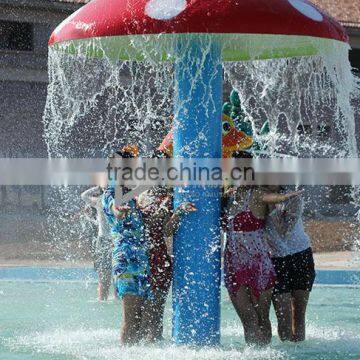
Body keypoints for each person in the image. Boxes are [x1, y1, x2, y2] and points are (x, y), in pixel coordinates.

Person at [223, 150, 303, 346]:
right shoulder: (227, 197)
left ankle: (263, 354)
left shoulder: (258, 193)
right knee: (248, 318)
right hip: (234, 264)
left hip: (259, 266)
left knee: (260, 318)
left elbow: (272, 198)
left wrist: (286, 197)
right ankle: (253, 353)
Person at [137, 150, 197, 342]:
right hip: (138, 258)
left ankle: (153, 347)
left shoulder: (170, 197)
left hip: (157, 258)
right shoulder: (140, 195)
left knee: (154, 313)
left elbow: (167, 231)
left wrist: (178, 212)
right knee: (137, 315)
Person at [102, 145, 152, 345]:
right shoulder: (111, 194)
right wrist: (118, 211)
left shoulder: (130, 194)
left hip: (140, 258)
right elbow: (114, 207)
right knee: (131, 319)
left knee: (140, 320)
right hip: (126, 258)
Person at [266, 187, 316, 342]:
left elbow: (284, 230)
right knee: (283, 317)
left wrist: (269, 206)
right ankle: (287, 352)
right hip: (275, 260)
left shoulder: (293, 197)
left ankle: (299, 354)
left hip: (301, 256)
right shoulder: (259, 197)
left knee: (298, 314)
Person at [81, 186, 113, 301]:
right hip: (105, 240)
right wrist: (99, 188)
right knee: (104, 274)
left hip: (113, 240)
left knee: (114, 273)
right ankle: (102, 299)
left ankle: (108, 298)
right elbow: (83, 196)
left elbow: (84, 195)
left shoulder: (116, 201)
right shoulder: (100, 200)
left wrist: (99, 188)